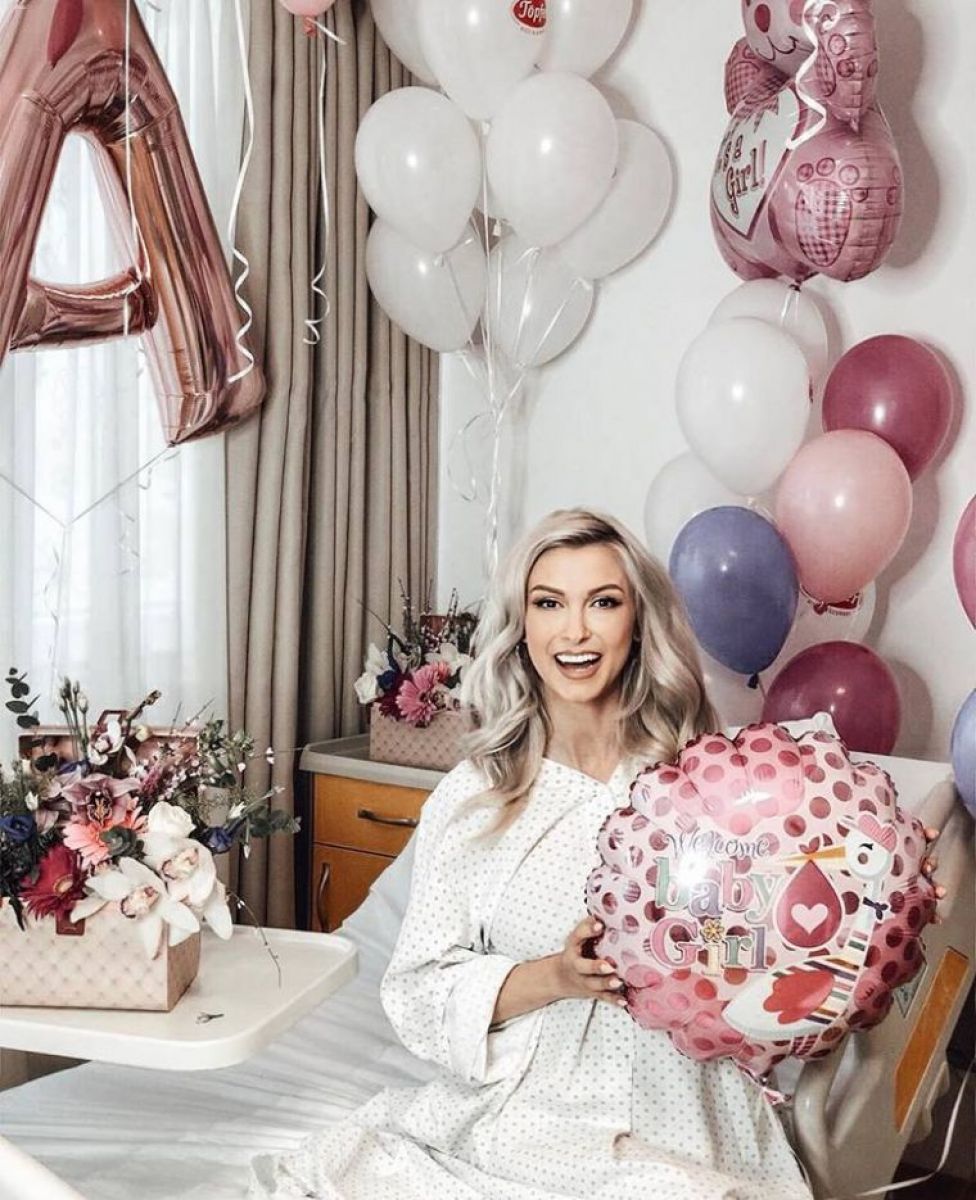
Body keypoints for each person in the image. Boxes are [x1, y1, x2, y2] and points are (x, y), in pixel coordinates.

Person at [252, 508, 942, 1200]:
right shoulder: (476, 797)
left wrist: (890, 876)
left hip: (687, 1114)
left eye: (603, 603)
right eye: (549, 603)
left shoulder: (709, 779)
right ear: (522, 625)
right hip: (533, 1114)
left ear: (637, 622)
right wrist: (556, 976)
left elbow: (797, 902)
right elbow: (418, 990)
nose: (575, 631)